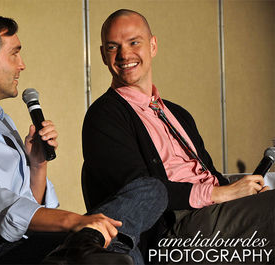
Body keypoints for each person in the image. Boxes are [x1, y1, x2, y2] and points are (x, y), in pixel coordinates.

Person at [0, 13, 166, 265]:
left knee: (152, 190)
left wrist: (38, 165)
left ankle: (83, 244)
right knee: (118, 252)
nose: (21, 64)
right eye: (14, 53)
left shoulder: (0, 121)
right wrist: (75, 221)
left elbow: (27, 206)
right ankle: (84, 243)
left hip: (26, 241)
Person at [82, 9, 274, 264]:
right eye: (112, 47)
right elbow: (140, 193)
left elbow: (207, 175)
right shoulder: (104, 116)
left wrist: (241, 193)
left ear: (153, 45)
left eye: (134, 42)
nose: (124, 54)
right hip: (172, 232)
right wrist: (221, 194)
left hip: (214, 214)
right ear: (103, 56)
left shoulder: (178, 114)